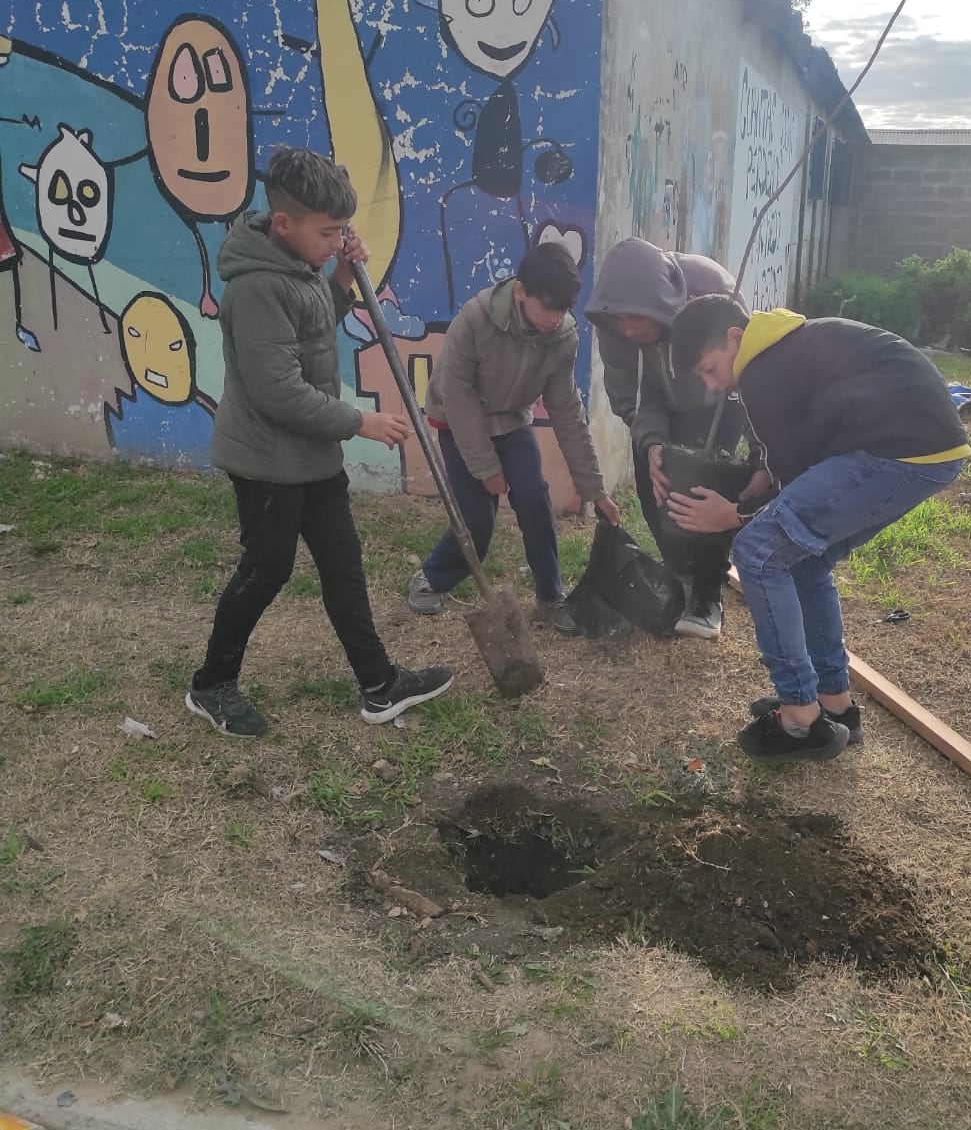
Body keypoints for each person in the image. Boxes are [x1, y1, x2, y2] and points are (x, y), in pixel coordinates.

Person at [188, 148, 453, 738]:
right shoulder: (256, 288)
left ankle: (379, 685)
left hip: (310, 458)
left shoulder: (300, 265)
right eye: (328, 232)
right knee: (267, 569)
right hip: (266, 462)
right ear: (283, 224)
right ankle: (211, 683)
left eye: (341, 231)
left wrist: (338, 277)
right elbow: (277, 390)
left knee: (343, 566)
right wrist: (359, 422)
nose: (338, 240)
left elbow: (312, 327)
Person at [667, 297, 971, 763]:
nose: (712, 385)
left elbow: (790, 488)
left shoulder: (761, 371)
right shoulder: (785, 346)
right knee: (804, 560)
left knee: (757, 552)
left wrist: (732, 516)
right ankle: (836, 706)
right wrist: (763, 477)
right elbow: (794, 456)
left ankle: (799, 721)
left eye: (709, 369)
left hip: (895, 452)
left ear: (734, 337)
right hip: (927, 449)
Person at [408, 242, 620, 626]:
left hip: (511, 421)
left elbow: (567, 412)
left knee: (534, 499)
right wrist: (486, 466)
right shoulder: (474, 320)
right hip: (458, 420)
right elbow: (457, 394)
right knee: (477, 519)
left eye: (564, 308)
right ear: (521, 291)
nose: (556, 318)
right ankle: (431, 577)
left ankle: (550, 596)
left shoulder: (562, 339)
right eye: (549, 306)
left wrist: (595, 490)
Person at [585, 238, 768, 639]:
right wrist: (652, 444)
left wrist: (761, 457)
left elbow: (753, 371)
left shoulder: (713, 289)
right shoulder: (613, 318)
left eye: (637, 318)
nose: (628, 330)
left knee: (706, 489)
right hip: (658, 403)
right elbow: (631, 395)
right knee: (658, 490)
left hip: (721, 394)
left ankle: (706, 594)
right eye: (620, 321)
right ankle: (680, 572)